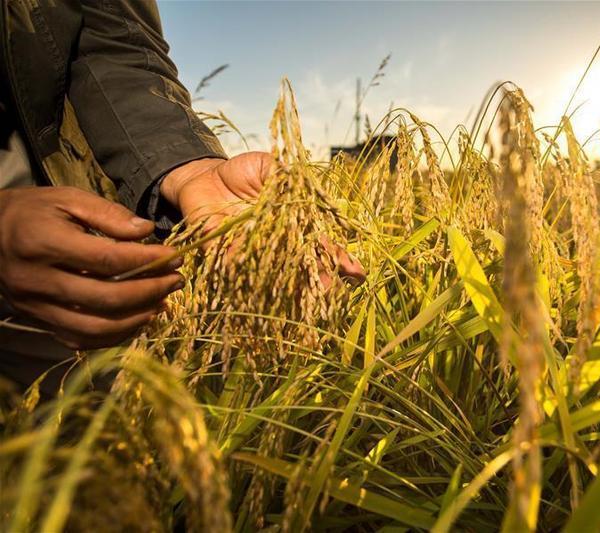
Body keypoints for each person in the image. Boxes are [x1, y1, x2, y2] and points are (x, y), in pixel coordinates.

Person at [0, 1, 362, 394]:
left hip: (45, 216)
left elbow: (118, 46)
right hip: (20, 215)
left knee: (103, 400)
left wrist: (192, 169)